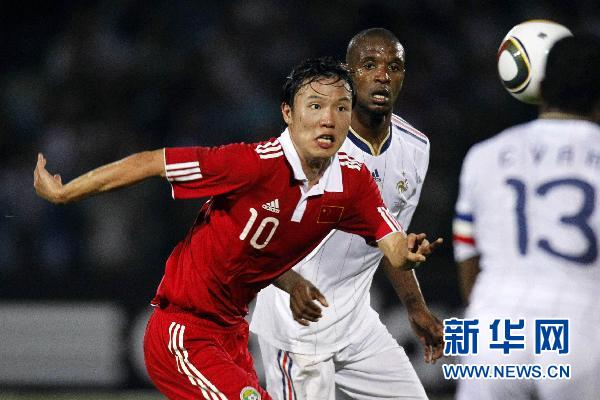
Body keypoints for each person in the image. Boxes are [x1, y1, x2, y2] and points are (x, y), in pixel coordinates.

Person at [34, 57, 437, 400]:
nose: (328, 119)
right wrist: (67, 192)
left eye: (341, 107)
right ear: (288, 113)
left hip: (232, 337)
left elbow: (392, 246)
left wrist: (406, 251)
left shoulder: (354, 184)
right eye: (314, 106)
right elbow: (152, 162)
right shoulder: (251, 166)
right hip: (182, 330)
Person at [251, 28, 443, 400]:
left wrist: (416, 307)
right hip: (298, 324)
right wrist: (290, 284)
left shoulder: (416, 147)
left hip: (356, 323)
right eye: (369, 65)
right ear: (349, 75)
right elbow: (257, 231)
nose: (382, 76)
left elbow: (391, 236)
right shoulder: (309, 143)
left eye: (394, 66)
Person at [453, 35, 600, 400]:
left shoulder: (484, 155)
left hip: (496, 326)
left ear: (542, 88)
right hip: (582, 323)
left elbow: (468, 257)